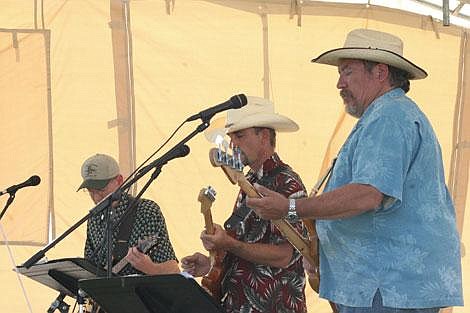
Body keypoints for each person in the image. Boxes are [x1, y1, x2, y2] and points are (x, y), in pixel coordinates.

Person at [246, 29, 463, 313]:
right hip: (384, 288)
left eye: (347, 72)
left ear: (380, 72)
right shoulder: (388, 114)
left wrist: (290, 207)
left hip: (387, 288)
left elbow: (368, 194)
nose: (339, 83)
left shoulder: (389, 117)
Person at [181, 96, 308, 313]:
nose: (234, 144)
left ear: (264, 136)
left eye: (240, 135)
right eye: (232, 137)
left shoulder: (287, 182)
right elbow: (249, 248)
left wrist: (230, 245)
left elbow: (285, 255)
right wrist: (212, 265)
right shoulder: (248, 182)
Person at [78, 153, 179, 276]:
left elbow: (173, 270)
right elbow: (90, 269)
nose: (96, 197)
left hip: (141, 293)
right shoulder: (93, 219)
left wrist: (149, 267)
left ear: (119, 181)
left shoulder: (146, 211)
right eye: (90, 191)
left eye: (101, 190)